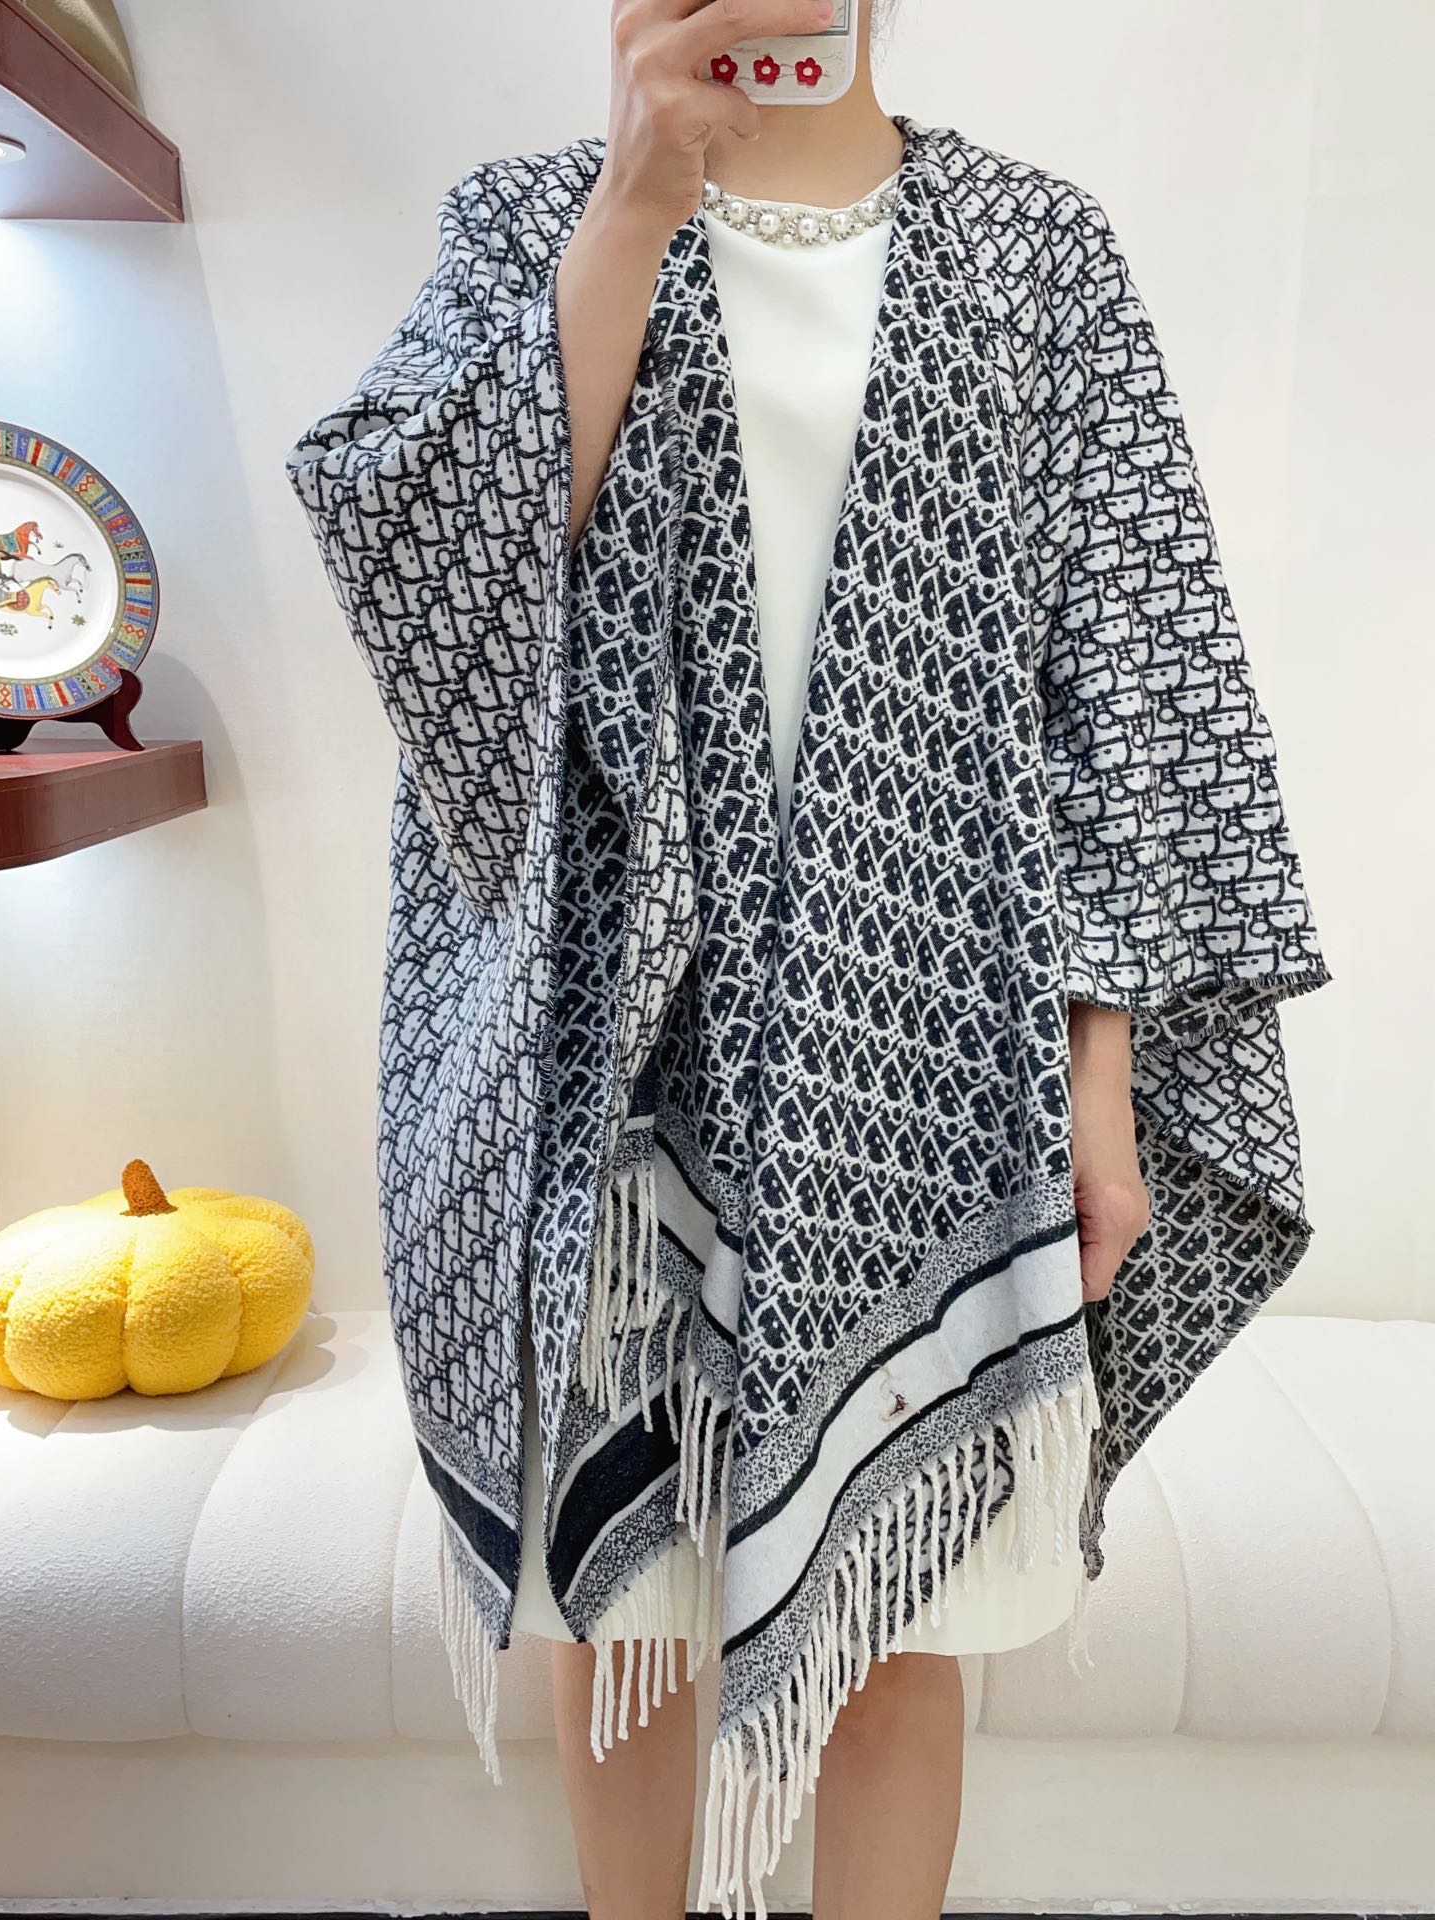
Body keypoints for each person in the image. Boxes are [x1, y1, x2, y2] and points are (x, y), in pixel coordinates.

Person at [285, 3, 1330, 1915]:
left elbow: (1130, 683)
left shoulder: (1035, 253)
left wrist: (1102, 1080)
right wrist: (632, 200)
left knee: (903, 1618)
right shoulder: (532, 219)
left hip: (936, 1050)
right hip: (615, 1061)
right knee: (626, 1621)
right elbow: (435, 582)